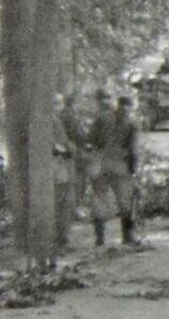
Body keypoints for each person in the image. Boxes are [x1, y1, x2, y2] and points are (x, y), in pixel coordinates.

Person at [87, 89, 140, 245]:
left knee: (99, 199)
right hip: (120, 164)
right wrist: (133, 169)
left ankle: (100, 239)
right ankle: (128, 237)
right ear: (131, 106)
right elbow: (133, 150)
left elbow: (90, 139)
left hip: (100, 163)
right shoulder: (131, 122)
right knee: (126, 200)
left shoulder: (102, 117)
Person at [52, 94, 75, 249]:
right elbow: (56, 144)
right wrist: (66, 150)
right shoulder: (52, 120)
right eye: (57, 103)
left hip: (56, 167)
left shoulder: (54, 119)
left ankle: (60, 240)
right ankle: (61, 241)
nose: (59, 105)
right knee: (63, 204)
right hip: (57, 168)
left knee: (62, 204)